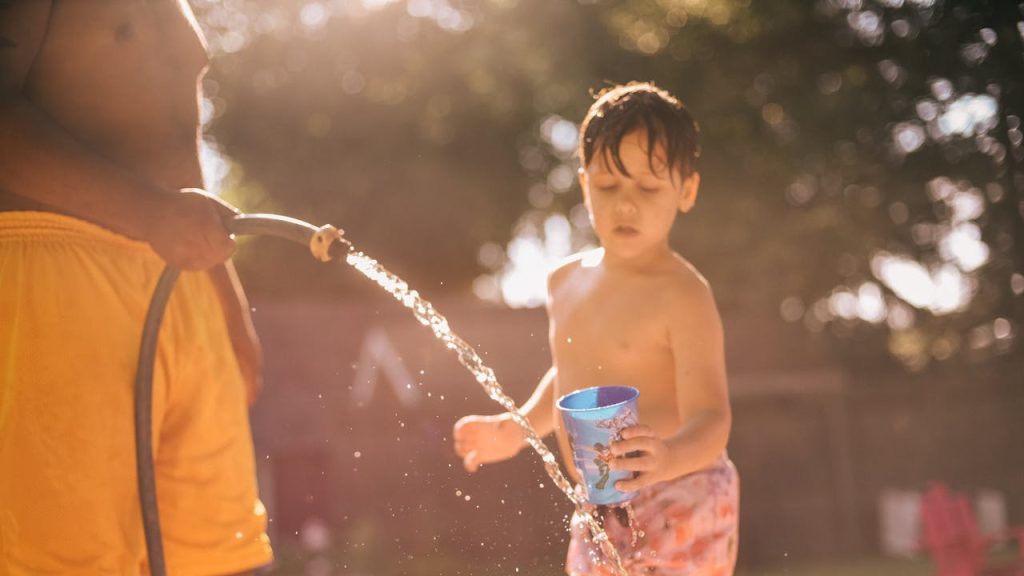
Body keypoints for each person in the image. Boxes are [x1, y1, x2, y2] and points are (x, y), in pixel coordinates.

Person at [0, 2, 273, 574]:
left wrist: (230, 306)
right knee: (73, 559)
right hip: (61, 279)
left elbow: (182, 150)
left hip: (182, 279)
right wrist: (148, 212)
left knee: (219, 555)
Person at [453, 82, 739, 576]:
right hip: (600, 503)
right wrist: (515, 428)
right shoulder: (564, 282)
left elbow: (713, 419)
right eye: (608, 185)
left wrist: (667, 458)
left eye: (648, 187)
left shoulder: (683, 294)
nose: (626, 204)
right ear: (585, 185)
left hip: (682, 490)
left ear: (686, 190)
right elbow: (569, 376)